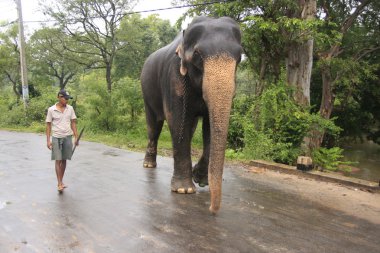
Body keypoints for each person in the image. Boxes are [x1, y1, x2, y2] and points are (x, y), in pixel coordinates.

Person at [46, 89, 78, 192]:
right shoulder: (51, 110)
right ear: (59, 97)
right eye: (65, 98)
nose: (67, 101)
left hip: (67, 137)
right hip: (56, 137)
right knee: (58, 160)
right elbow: (48, 125)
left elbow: (73, 123)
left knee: (64, 160)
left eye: (68, 99)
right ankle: (59, 183)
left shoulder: (70, 108)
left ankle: (61, 181)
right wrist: (48, 140)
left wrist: (76, 137)